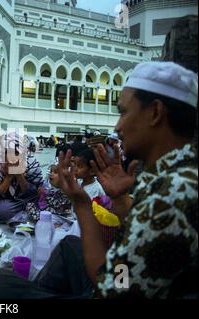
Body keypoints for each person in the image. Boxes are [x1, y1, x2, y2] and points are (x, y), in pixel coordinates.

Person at [55, 61, 198, 298]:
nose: (118, 126)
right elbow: (143, 245)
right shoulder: (178, 173)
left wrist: (81, 205)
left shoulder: (171, 193)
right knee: (69, 245)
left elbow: (116, 286)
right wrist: (121, 201)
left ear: (154, 112)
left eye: (123, 112)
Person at [0, 132, 43, 223]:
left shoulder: (31, 164)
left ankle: (27, 210)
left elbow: (35, 192)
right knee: (2, 210)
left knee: (42, 198)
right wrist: (9, 177)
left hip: (26, 199)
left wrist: (19, 175)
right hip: (6, 202)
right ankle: (27, 211)